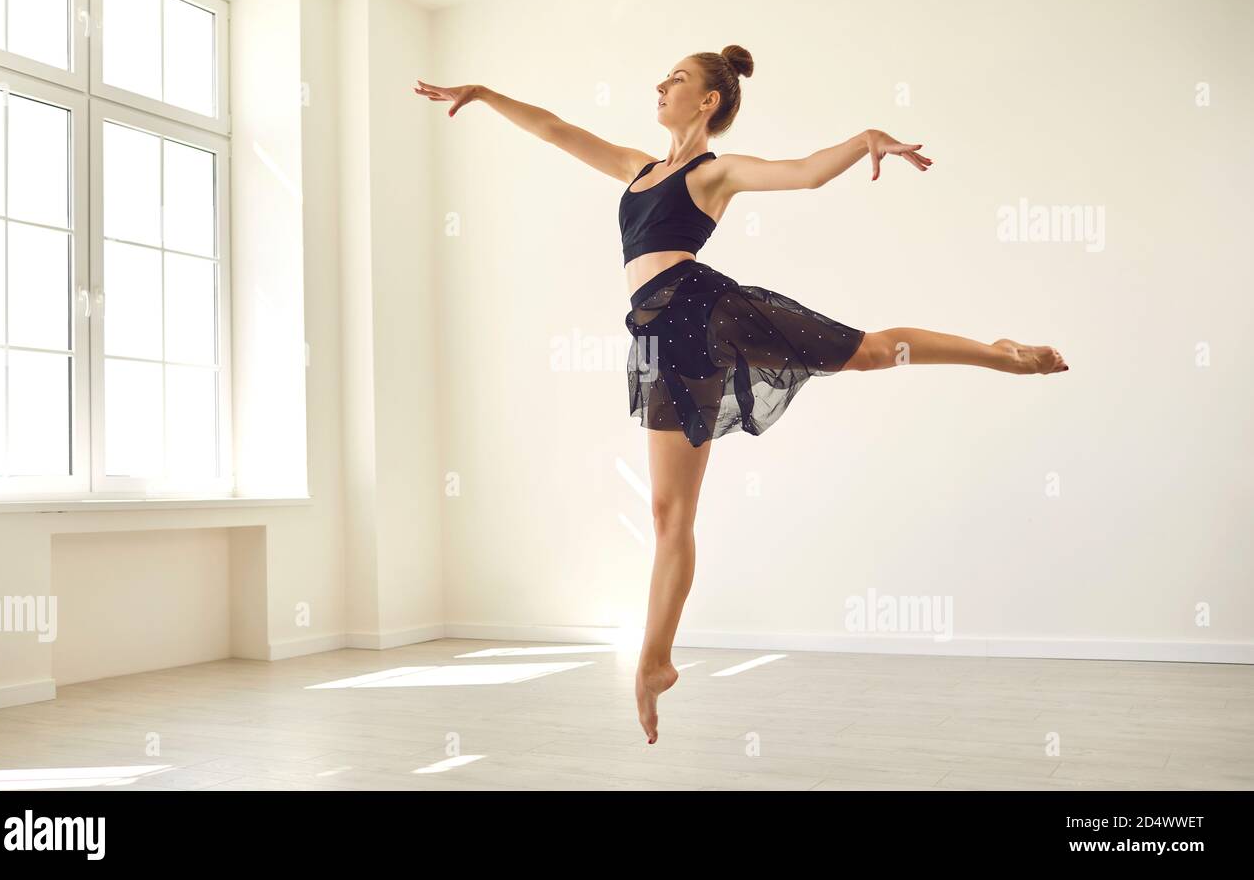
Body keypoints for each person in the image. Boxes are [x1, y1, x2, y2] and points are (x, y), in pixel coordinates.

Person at [413, 45, 1067, 744]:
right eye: (663, 76)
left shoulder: (712, 173)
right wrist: (485, 93)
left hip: (704, 310)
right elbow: (555, 129)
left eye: (678, 79)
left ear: (708, 102)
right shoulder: (637, 168)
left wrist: (865, 141)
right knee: (668, 515)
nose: (661, 84)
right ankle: (656, 660)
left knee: (872, 351)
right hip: (658, 341)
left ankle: (998, 354)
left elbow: (805, 174)